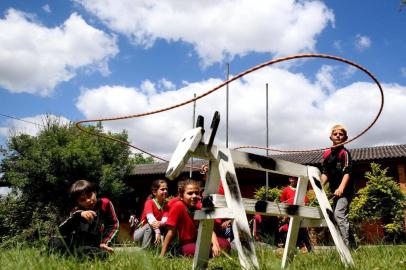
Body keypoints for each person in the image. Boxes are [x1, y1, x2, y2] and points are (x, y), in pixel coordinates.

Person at [49, 180, 119, 259]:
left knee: (95, 253)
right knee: (56, 241)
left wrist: (104, 242)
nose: (88, 201)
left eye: (89, 195)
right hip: (75, 245)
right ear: (78, 202)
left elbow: (114, 224)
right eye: (82, 200)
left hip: (94, 246)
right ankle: (57, 255)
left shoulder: (105, 203)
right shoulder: (76, 211)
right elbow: (60, 231)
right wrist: (78, 215)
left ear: (95, 192)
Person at [160, 179, 230, 257]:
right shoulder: (178, 206)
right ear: (181, 195)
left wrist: (215, 243)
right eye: (190, 193)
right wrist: (162, 255)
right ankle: (209, 253)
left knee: (225, 244)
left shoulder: (198, 207)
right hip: (181, 245)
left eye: (196, 193)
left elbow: (207, 228)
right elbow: (170, 232)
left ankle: (211, 252)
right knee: (201, 250)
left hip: (195, 242)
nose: (194, 196)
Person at [321, 124, 355, 247]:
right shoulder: (326, 154)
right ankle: (353, 246)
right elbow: (326, 173)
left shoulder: (344, 153)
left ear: (345, 138)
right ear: (331, 137)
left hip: (346, 190)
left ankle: (345, 248)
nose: (338, 135)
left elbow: (347, 172)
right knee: (338, 216)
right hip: (335, 191)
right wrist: (319, 185)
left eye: (341, 134)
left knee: (339, 214)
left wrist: (341, 188)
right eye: (335, 134)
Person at [278, 177, 312, 252]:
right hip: (290, 215)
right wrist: (284, 216)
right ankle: (299, 248)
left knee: (303, 232)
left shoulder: (301, 190)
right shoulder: (286, 190)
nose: (293, 180)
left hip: (300, 214)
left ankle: (309, 248)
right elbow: (283, 203)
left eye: (295, 179)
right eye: (291, 178)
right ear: (289, 179)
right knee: (294, 231)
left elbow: (305, 202)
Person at [133, 179, 169, 248]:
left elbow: (165, 219)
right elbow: (151, 219)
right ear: (154, 192)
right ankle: (145, 252)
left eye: (166, 189)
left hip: (154, 233)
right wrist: (157, 231)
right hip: (140, 234)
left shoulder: (166, 205)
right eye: (162, 189)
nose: (165, 191)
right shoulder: (149, 202)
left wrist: (160, 223)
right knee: (149, 226)